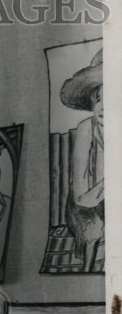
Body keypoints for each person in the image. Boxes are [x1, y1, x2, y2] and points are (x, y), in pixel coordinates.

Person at [60, 48, 104, 272]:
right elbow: (82, 197)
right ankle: (87, 270)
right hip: (85, 205)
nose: (104, 107)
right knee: (94, 227)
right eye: (98, 99)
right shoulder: (86, 129)